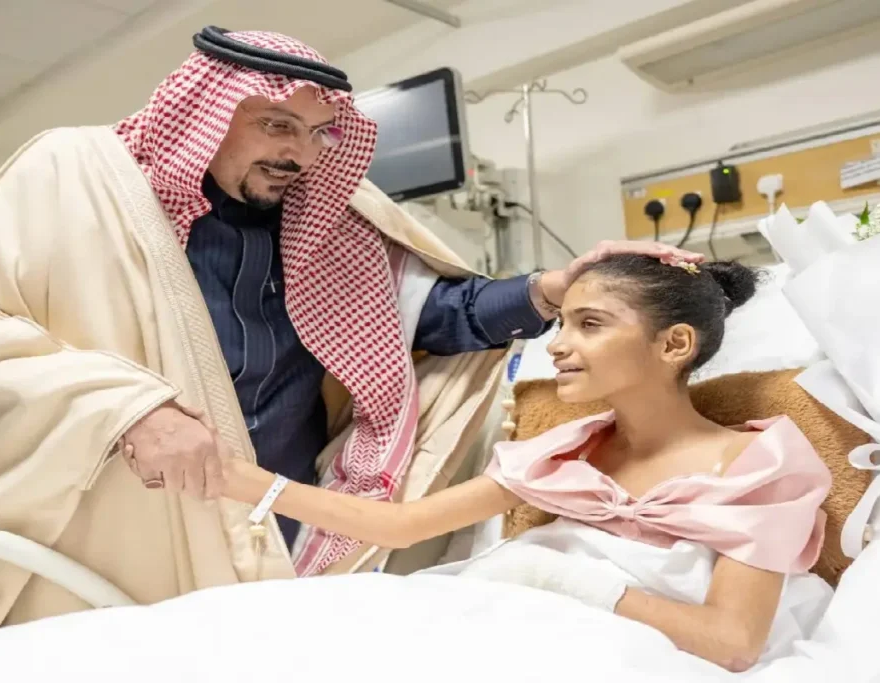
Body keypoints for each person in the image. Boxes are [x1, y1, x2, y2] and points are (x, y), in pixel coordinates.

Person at [0, 27, 699, 638]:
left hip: (276, 531)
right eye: (277, 125)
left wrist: (547, 290)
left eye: (318, 134)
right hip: (119, 523)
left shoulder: (331, 221)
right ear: (205, 112)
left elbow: (431, 319)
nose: (302, 154)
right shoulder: (72, 178)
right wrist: (126, 408)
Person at [213, 254, 833, 673]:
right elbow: (401, 527)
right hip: (527, 628)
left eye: (590, 325)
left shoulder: (756, 465)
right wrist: (249, 483)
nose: (557, 345)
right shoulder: (564, 451)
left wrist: (550, 574)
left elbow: (731, 644)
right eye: (561, 325)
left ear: (674, 344)